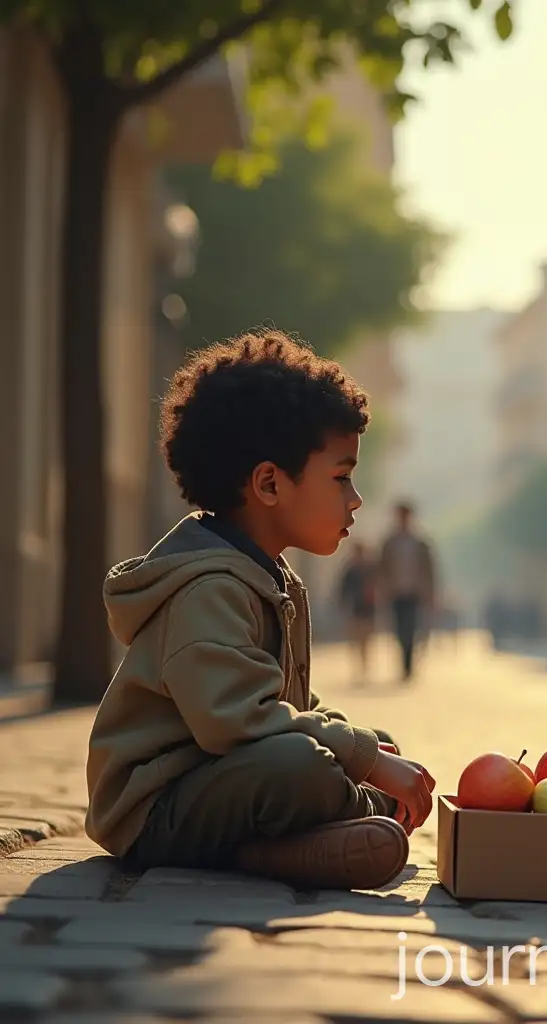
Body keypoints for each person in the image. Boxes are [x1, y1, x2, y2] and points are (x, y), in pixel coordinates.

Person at [83, 329, 435, 893]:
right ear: (270, 483)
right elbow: (238, 719)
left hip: (221, 779)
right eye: (341, 477)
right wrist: (360, 762)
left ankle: (315, 838)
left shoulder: (271, 577)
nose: (356, 499)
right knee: (306, 768)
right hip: (156, 811)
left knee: (369, 742)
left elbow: (287, 699)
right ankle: (304, 841)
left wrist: (364, 745)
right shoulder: (209, 588)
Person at [378, 502, 436, 681]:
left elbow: (429, 569)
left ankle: (408, 666)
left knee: (411, 628)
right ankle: (404, 661)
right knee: (398, 629)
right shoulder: (390, 542)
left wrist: (430, 591)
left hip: (414, 592)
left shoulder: (420, 542)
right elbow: (382, 567)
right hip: (396, 592)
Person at [336, 541, 378, 682]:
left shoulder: (370, 570)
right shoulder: (350, 570)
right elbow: (343, 590)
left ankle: (365, 665)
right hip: (355, 610)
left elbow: (378, 586)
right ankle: (360, 666)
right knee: (357, 640)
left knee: (367, 639)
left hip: (368, 610)